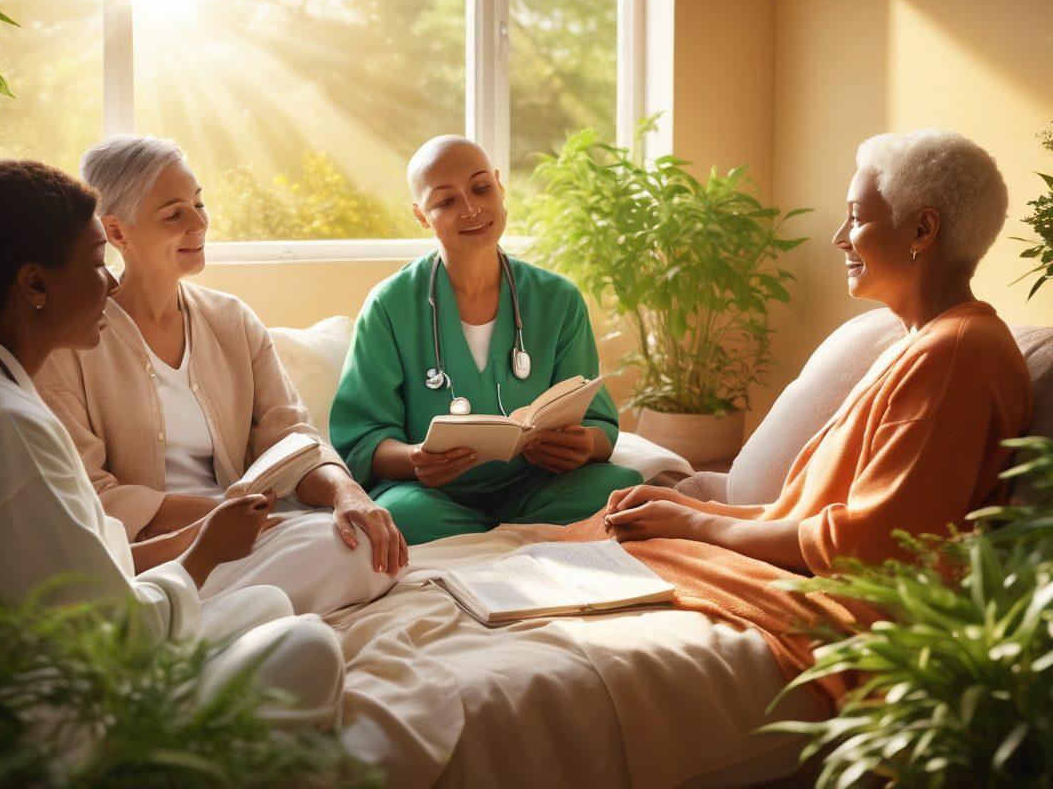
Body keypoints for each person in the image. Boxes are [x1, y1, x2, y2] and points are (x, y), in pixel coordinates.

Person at [566, 128, 1033, 701]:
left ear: (922, 230)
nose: (839, 238)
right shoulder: (918, 343)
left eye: (856, 217)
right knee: (611, 535)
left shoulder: (958, 354)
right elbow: (811, 512)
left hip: (859, 607)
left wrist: (694, 526)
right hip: (816, 573)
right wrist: (689, 507)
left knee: (614, 550)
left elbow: (874, 545)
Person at [0, 160, 344, 727]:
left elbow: (81, 566)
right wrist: (204, 554)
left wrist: (201, 536)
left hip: (69, 645)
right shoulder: (3, 425)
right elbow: (108, 639)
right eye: (95, 263)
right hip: (43, 707)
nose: (111, 283)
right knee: (311, 645)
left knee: (269, 604)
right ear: (36, 285)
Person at [34, 136, 405, 617]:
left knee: (367, 546)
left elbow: (293, 437)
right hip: (161, 550)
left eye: (199, 203)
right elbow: (89, 491)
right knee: (348, 558)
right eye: (174, 214)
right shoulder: (71, 343)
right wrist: (218, 520)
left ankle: (217, 613)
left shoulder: (232, 320)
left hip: (252, 531)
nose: (199, 223)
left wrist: (347, 494)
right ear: (117, 232)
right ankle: (201, 607)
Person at [330, 135, 643, 544]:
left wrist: (586, 445)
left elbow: (597, 424)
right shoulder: (390, 305)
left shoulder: (558, 298)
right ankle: (525, 542)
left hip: (539, 487)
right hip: (431, 497)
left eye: (481, 188)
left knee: (621, 486)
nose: (471, 209)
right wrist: (414, 458)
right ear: (421, 215)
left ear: (499, 187)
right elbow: (363, 440)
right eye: (446, 201)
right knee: (401, 514)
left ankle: (490, 542)